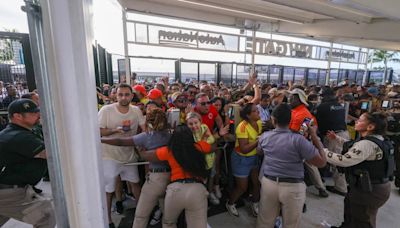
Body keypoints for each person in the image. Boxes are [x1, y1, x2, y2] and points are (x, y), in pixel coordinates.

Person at [256, 103, 326, 228]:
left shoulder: (264, 137)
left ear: (273, 120)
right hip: (292, 187)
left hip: (269, 184)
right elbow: (321, 162)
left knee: (264, 221)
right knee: (291, 224)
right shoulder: (299, 140)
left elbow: (260, 151)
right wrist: (314, 137)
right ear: (290, 120)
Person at [101, 109, 171, 228]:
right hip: (171, 177)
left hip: (155, 179)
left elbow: (120, 141)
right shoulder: (170, 135)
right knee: (168, 218)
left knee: (141, 216)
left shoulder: (146, 136)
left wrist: (100, 139)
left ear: (148, 122)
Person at [326, 112, 392, 228]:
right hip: (369, 186)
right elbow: (354, 146)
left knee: (362, 220)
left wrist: (323, 152)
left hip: (369, 190)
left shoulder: (367, 144)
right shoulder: (378, 140)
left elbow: (344, 160)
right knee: (351, 211)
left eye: (360, 120)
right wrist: (337, 138)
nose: (356, 121)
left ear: (370, 127)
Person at [138, 125, 212, 228]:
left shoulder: (169, 150)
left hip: (175, 190)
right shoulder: (199, 146)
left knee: (169, 223)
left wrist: (141, 151)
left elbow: (147, 155)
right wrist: (204, 138)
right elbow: (212, 146)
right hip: (198, 189)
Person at [0, 99, 56, 228]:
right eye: (33, 113)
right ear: (17, 116)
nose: (38, 115)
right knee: (45, 216)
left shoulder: (16, 132)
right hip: (9, 192)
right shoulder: (19, 136)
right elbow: (52, 155)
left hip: (8, 188)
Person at [98, 83, 145, 228]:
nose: (123, 97)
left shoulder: (136, 110)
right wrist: (115, 130)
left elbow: (144, 128)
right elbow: (99, 131)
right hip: (109, 155)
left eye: (126, 94)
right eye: (120, 94)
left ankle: (141, 214)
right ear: (115, 95)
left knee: (135, 183)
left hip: (129, 154)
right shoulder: (106, 110)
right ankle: (108, 221)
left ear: (132, 96)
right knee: (108, 189)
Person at [288, 88, 329, 198]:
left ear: (298, 99)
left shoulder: (303, 114)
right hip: (299, 142)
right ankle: (321, 188)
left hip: (299, 144)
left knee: (303, 168)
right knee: (310, 166)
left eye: (291, 98)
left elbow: (299, 132)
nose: (289, 100)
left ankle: (316, 189)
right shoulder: (296, 110)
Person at [226, 103, 262, 217]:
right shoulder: (242, 127)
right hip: (242, 159)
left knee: (257, 183)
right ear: (248, 115)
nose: (258, 112)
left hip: (254, 157)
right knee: (242, 187)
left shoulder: (259, 123)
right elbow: (244, 149)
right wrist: (259, 140)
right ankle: (230, 203)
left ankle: (255, 203)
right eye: (255, 111)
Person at [315, 86, 350, 196]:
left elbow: (315, 120)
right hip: (343, 134)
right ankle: (342, 184)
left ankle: (341, 188)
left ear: (326, 96)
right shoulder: (339, 105)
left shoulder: (323, 107)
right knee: (340, 159)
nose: (321, 98)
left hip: (334, 136)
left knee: (336, 162)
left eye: (322, 96)